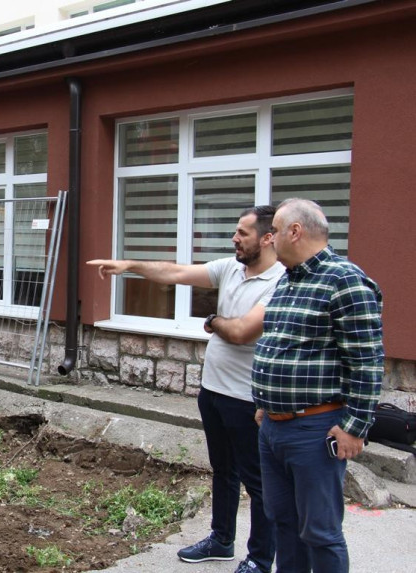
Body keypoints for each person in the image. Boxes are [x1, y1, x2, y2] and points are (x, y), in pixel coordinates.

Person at [88, 205, 283, 573]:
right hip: (213, 392)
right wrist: (128, 266)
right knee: (223, 470)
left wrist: (212, 320)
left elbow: (242, 332)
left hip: (248, 398)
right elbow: (176, 272)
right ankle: (222, 540)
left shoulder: (281, 281)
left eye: (243, 233)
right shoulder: (230, 268)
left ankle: (259, 559)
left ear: (268, 237)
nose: (234, 238)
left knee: (258, 482)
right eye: (235, 232)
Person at [252, 198, 383, 572]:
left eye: (273, 231)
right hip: (273, 428)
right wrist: (263, 404)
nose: (269, 238)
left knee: (320, 533)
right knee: (284, 524)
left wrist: (354, 428)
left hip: (314, 428)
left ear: (295, 231)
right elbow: (279, 344)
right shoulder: (288, 280)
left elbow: (367, 363)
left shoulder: (346, 281)